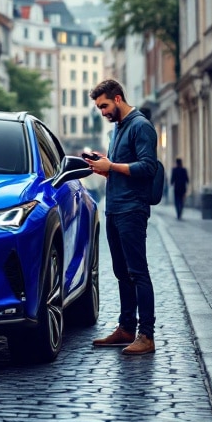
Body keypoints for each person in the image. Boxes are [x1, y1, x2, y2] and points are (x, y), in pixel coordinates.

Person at [84, 79, 157, 356]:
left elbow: (148, 167)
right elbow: (123, 168)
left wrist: (111, 165)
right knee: (121, 273)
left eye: (104, 106)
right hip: (114, 208)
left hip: (132, 209)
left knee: (138, 273)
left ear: (117, 99)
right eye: (98, 107)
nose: (102, 112)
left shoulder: (141, 126)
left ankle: (146, 335)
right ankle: (126, 328)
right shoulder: (117, 129)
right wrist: (105, 168)